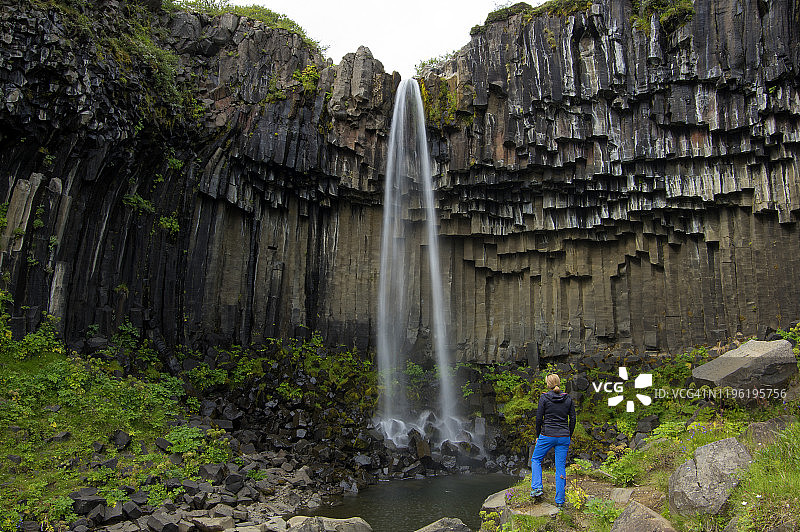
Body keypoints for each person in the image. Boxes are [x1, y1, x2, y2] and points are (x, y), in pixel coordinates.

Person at [530, 373, 575, 509]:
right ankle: (560, 501)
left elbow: (539, 418)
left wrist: (538, 435)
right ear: (558, 383)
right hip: (563, 436)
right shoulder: (568, 398)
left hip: (547, 434)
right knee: (560, 467)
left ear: (548, 384)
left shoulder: (544, 398)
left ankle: (537, 488)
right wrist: (569, 434)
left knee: (536, 459)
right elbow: (572, 419)